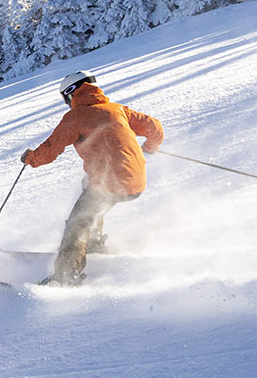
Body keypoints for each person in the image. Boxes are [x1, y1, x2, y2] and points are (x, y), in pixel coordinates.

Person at [20, 71, 164, 286]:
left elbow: (50, 150)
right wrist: (149, 147)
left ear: (70, 94)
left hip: (109, 184)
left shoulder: (75, 118)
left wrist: (30, 158)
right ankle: (94, 243)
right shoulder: (117, 110)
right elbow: (155, 128)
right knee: (89, 189)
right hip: (136, 181)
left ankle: (66, 276)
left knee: (78, 224)